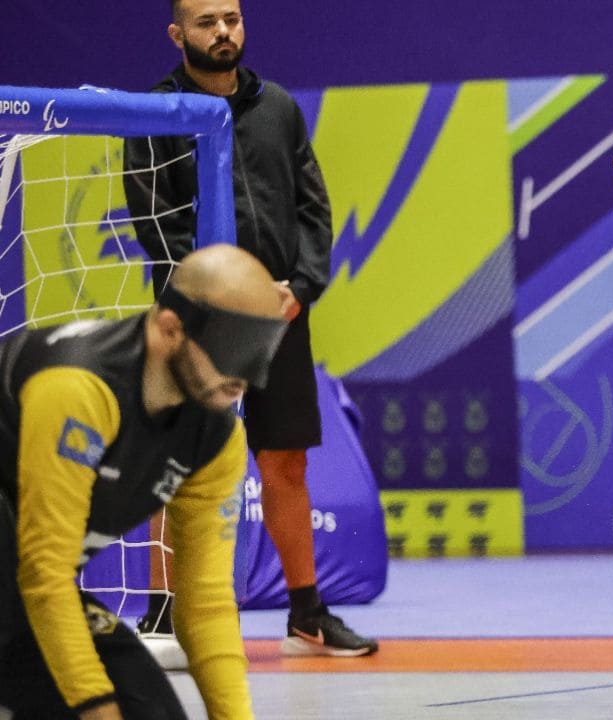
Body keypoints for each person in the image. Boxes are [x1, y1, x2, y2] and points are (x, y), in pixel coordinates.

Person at [121, 0, 376, 656]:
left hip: (279, 315)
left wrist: (300, 287)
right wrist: (216, 296)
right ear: (178, 34)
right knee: (175, 465)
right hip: (194, 322)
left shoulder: (279, 108)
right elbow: (154, 222)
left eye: (231, 18)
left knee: (286, 460)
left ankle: (306, 614)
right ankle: (162, 614)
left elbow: (314, 208)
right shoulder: (155, 114)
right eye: (207, 22)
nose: (223, 31)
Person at [0, 244, 284, 719]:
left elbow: (207, 603)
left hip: (18, 582)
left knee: (148, 711)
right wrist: (94, 706)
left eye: (260, 351)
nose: (244, 377)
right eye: (234, 346)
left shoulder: (216, 437)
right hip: (21, 575)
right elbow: (45, 572)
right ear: (170, 328)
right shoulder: (77, 389)